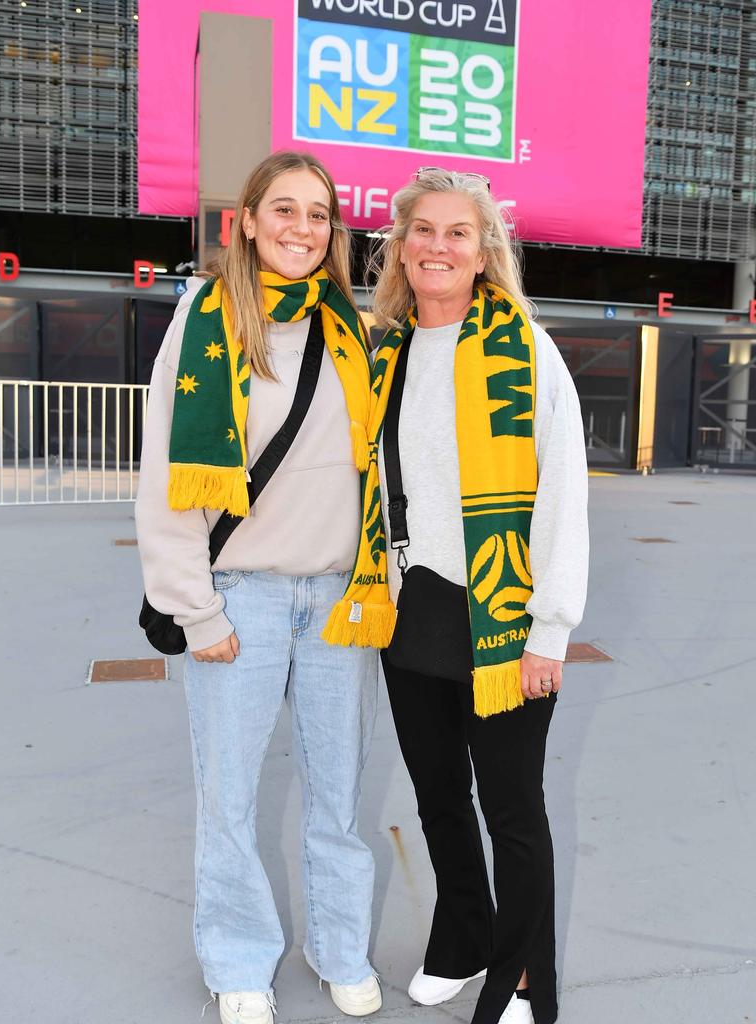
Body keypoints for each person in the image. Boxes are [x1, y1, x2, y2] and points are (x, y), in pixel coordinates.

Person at [324, 168, 589, 1024]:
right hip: (413, 611)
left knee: (512, 810)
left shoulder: (526, 351)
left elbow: (563, 497)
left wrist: (549, 629)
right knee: (439, 798)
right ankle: (463, 938)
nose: (439, 246)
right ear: (399, 245)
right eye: (424, 230)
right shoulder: (387, 350)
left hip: (501, 617)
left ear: (484, 253)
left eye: (458, 233)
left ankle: (519, 978)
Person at [135, 151, 384, 1024]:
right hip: (239, 595)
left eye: (318, 215)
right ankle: (238, 959)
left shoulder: (347, 328)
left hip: (337, 603)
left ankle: (342, 948)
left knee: (339, 798)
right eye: (283, 210)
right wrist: (194, 610)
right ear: (246, 220)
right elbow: (168, 474)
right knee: (230, 799)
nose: (301, 229)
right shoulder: (206, 322)